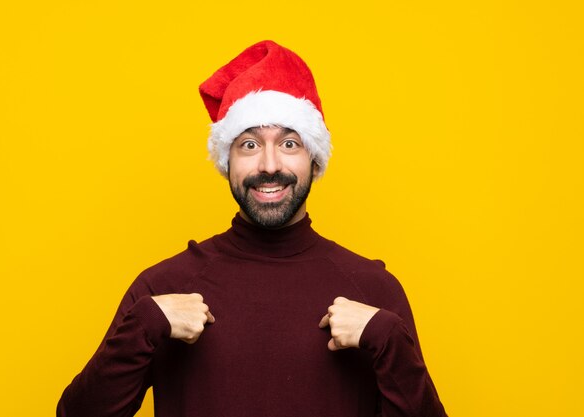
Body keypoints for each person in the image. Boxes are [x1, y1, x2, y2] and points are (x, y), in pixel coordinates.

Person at [57, 40, 447, 417]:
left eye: (290, 143)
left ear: (315, 161)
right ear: (226, 162)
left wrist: (389, 340)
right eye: (249, 145)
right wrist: (143, 328)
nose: (269, 165)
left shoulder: (374, 291)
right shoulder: (163, 287)